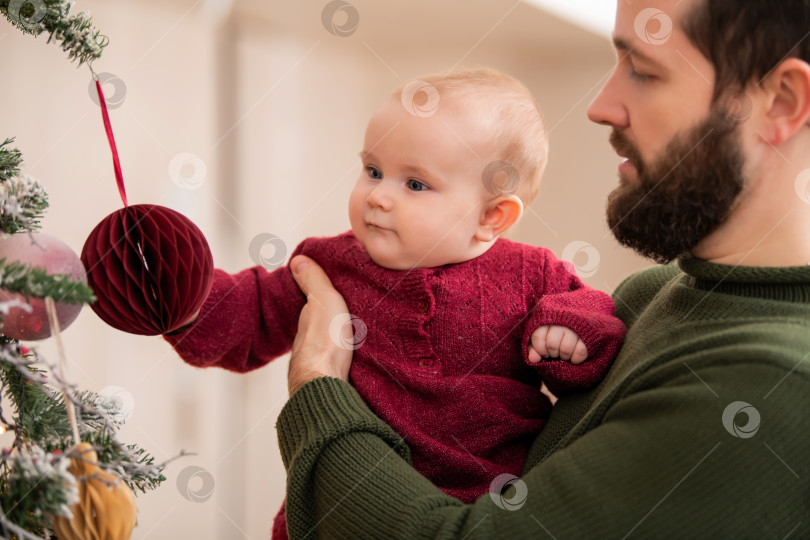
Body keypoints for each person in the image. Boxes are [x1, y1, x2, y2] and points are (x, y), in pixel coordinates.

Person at [276, 0, 810, 538]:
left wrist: (318, 384)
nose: (600, 106)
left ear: (782, 101)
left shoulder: (774, 383)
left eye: (644, 71)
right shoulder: (652, 295)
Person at [164, 69, 625, 537]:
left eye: (415, 184)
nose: (378, 197)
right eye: (373, 170)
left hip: (477, 507)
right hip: (340, 511)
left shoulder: (534, 275)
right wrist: (175, 294)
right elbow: (250, 312)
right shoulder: (331, 263)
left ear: (491, 216)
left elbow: (590, 320)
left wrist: (568, 335)